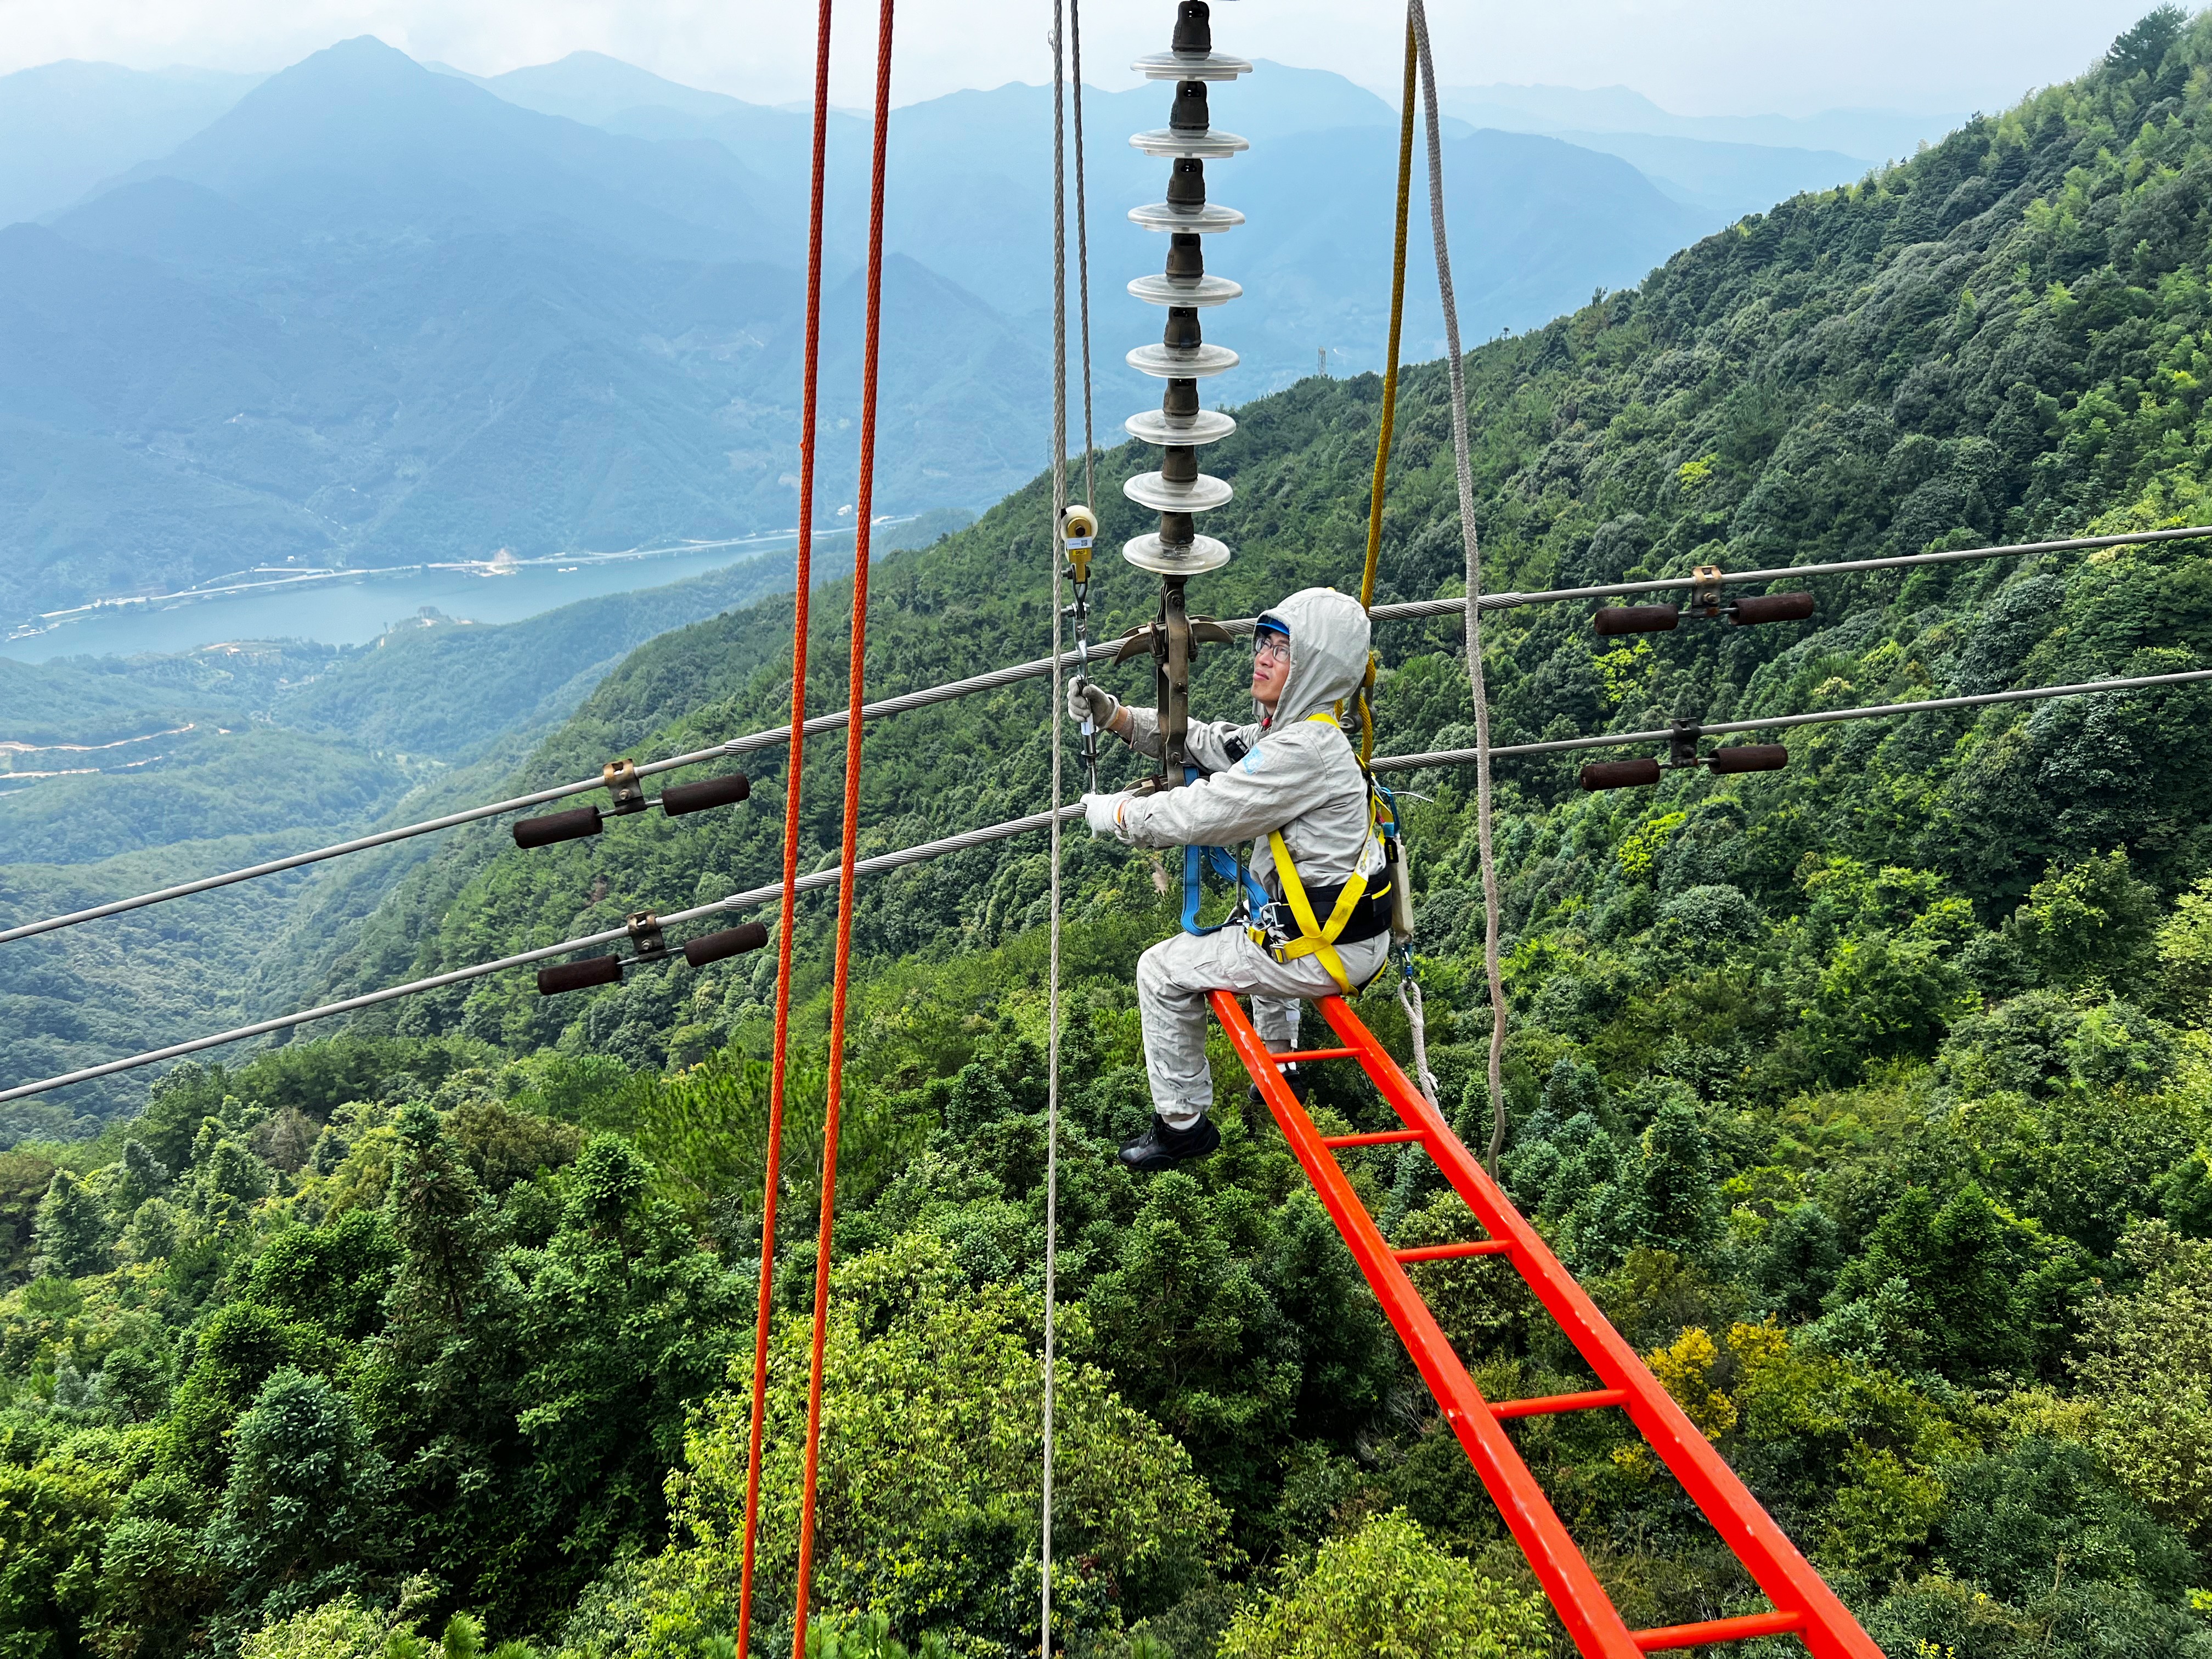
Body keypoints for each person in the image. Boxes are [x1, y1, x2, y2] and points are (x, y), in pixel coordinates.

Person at [1071, 585, 1394, 1170]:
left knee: (1161, 970)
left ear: (1314, 667)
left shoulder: (1301, 753)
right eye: (1263, 643)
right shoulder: (1300, 735)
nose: (1263, 658)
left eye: (1283, 650)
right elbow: (1206, 742)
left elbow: (1204, 813)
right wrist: (1117, 717)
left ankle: (1182, 1125)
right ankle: (1283, 1064)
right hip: (1338, 933)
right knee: (1258, 913)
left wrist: (1117, 815)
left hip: (1325, 951)